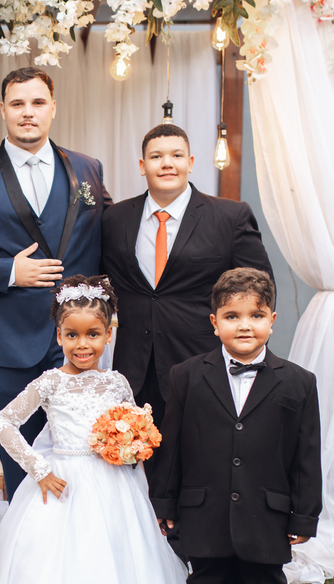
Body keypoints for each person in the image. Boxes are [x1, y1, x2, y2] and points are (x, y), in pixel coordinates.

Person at [0, 275, 205, 584]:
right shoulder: (49, 383)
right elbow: (4, 423)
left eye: (93, 335)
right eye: (72, 335)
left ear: (108, 334)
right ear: (58, 335)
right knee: (58, 571)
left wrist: (134, 442)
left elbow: (129, 427)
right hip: (64, 482)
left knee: (121, 566)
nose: (82, 345)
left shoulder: (117, 382)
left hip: (114, 484)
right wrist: (39, 468)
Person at [0, 67, 111, 497]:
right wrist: (9, 271)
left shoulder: (88, 169)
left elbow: (111, 234)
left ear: (53, 108)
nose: (28, 112)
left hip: (75, 344)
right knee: (20, 469)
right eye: (18, 104)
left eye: (38, 102)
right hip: (2, 346)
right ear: (3, 110)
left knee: (81, 462)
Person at [149, 267, 322, 584]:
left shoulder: (299, 382)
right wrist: (165, 502)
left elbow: (306, 454)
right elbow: (173, 445)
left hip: (266, 513)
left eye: (256, 315)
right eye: (232, 316)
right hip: (203, 509)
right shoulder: (186, 375)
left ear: (272, 320)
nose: (245, 325)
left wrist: (304, 514)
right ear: (214, 323)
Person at [101, 123, 274, 428]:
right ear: (142, 166)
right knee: (140, 457)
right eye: (156, 157)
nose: (167, 163)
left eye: (177, 155)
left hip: (204, 365)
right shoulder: (115, 218)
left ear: (190, 163)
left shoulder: (230, 216)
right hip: (134, 370)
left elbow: (260, 292)